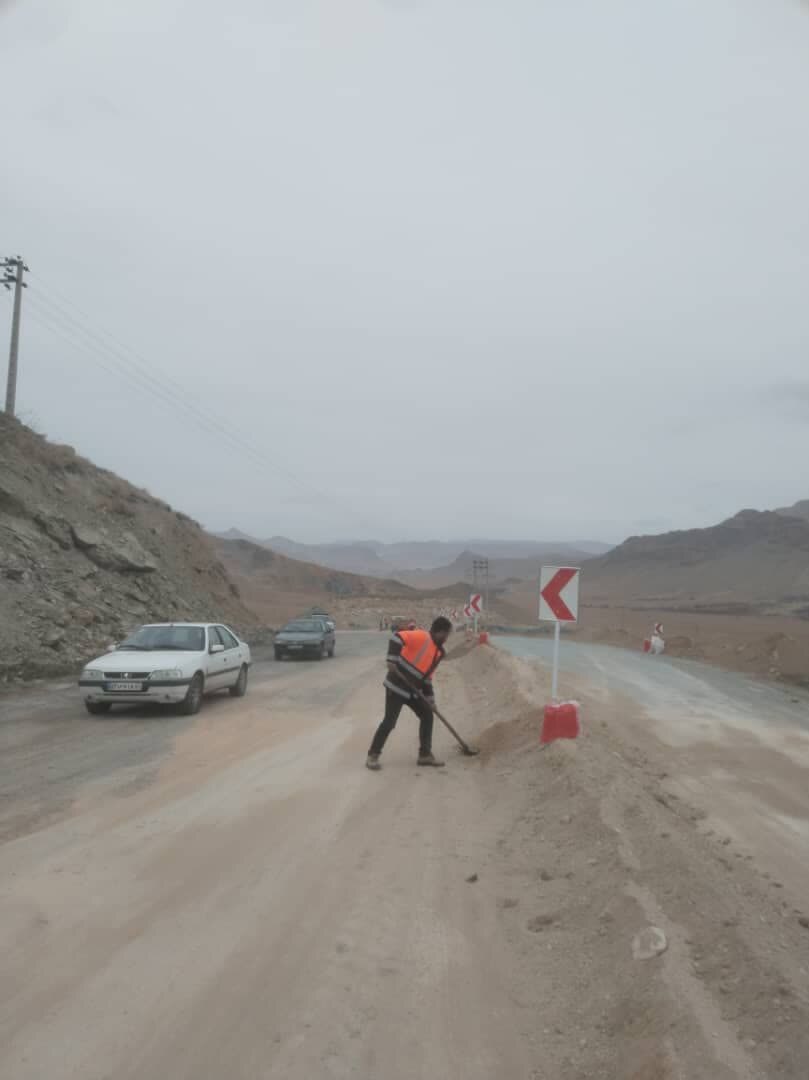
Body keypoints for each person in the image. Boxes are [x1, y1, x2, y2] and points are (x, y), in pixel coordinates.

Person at [366, 616, 453, 770]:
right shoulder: (421, 636)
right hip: (397, 686)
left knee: (427, 714)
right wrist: (392, 660)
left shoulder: (438, 653)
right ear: (440, 632)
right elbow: (396, 638)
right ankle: (373, 755)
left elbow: (427, 680)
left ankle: (425, 755)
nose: (446, 638)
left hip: (413, 691)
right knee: (389, 722)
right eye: (446, 635)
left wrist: (431, 701)